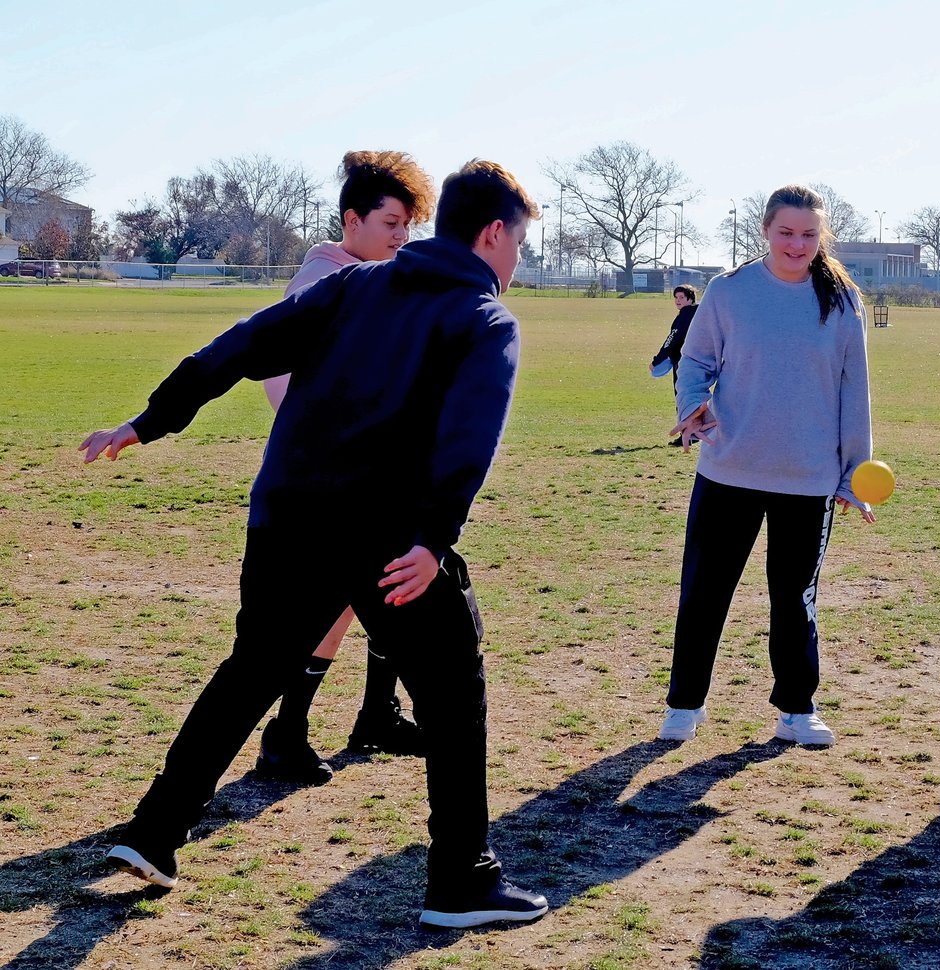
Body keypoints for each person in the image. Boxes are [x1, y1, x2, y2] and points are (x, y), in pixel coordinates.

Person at [81, 159, 550, 929]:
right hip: (390, 541)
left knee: (250, 672)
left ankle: (155, 832)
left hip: (288, 519)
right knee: (454, 692)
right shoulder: (484, 317)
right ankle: (461, 882)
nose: (518, 261)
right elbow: (469, 441)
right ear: (494, 232)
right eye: (520, 243)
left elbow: (234, 349)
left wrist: (148, 420)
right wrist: (436, 539)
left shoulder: (352, 285)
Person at [657, 184, 873, 747]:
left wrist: (854, 473)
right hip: (729, 470)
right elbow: (697, 359)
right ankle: (685, 703)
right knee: (704, 593)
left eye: (808, 234)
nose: (797, 244)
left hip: (808, 480)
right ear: (765, 231)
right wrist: (692, 407)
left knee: (794, 597)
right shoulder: (728, 291)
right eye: (786, 233)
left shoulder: (843, 302)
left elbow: (855, 392)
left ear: (821, 237)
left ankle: (797, 708)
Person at [257, 151, 438, 787]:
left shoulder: (371, 276)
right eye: (391, 222)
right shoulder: (324, 280)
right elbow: (287, 379)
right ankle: (285, 736)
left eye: (408, 224)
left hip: (372, 472)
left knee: (388, 589)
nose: (402, 237)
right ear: (351, 219)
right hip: (330, 478)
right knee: (331, 604)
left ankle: (376, 713)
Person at [649, 284, 699, 383]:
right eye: (676, 297)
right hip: (700, 360)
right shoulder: (700, 312)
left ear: (690, 299)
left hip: (684, 361)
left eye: (681, 297)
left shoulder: (684, 316)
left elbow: (671, 339)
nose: (677, 300)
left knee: (682, 393)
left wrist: (656, 361)